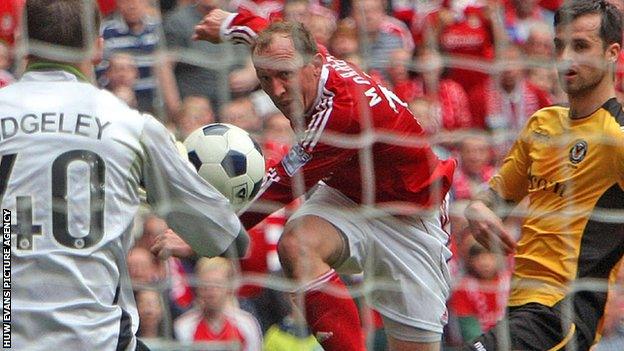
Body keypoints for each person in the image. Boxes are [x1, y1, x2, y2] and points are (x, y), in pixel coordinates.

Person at [193, 8, 456, 351]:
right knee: (297, 244)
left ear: (314, 66)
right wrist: (229, 24)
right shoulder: (296, 55)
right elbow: (265, 33)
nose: (276, 89)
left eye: (284, 75)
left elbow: (285, 183)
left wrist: (206, 231)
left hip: (411, 218)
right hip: (349, 196)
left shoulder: (342, 110)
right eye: (265, 77)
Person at [1, 1, 249, 350]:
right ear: (99, 47)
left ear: (22, 44)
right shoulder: (130, 125)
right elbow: (225, 238)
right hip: (96, 340)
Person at [463, 1, 624, 349]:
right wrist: (477, 208)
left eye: (580, 46)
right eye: (559, 45)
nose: (565, 57)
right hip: (520, 307)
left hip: (563, 313)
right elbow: (496, 198)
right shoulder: (542, 123)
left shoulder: (617, 137)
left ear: (612, 53)